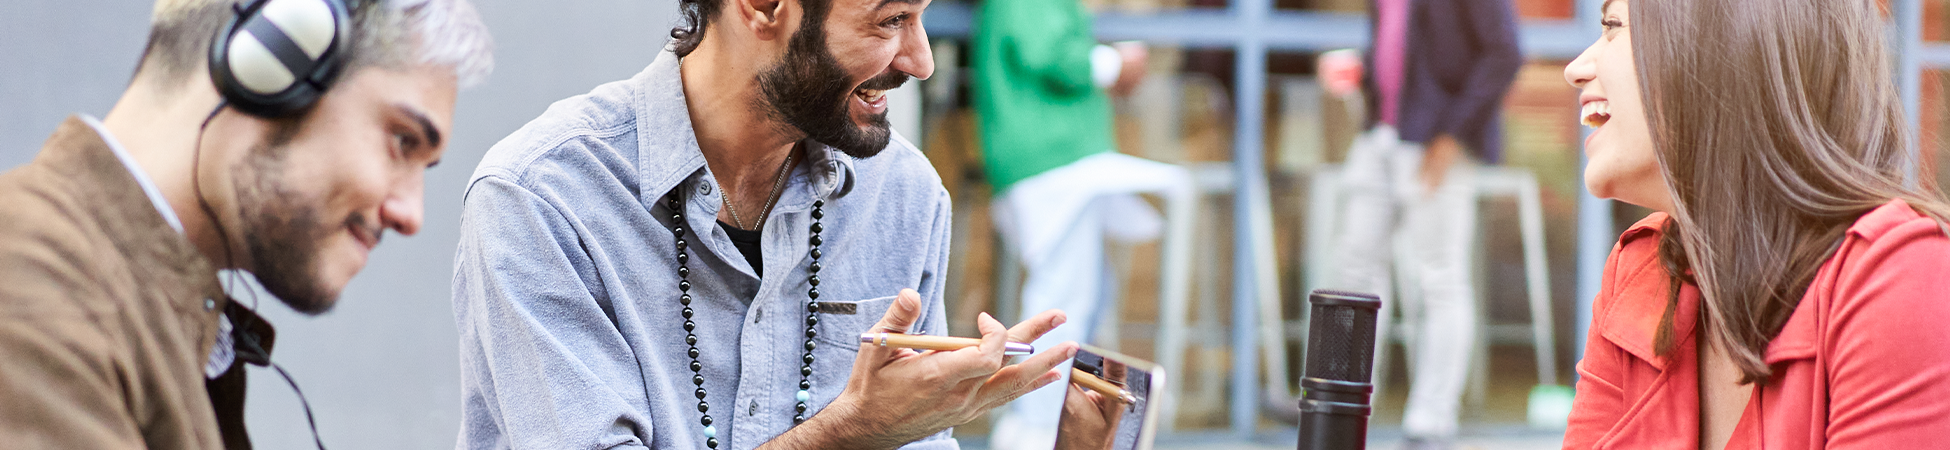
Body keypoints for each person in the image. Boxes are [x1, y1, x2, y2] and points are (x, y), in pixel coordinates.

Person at [448, 0, 1077, 446]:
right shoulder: (541, 197)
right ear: (765, 6)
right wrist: (850, 433)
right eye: (890, 21)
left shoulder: (904, 193)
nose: (921, 61)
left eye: (921, 17)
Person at [0, 0, 493, 448]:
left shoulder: (150, 308)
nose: (412, 216)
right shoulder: (28, 278)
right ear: (276, 61)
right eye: (403, 141)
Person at [1560, 0, 1950, 448]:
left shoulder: (1895, 276)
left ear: (1720, 48)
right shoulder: (1639, 269)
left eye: (1612, 27)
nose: (1575, 68)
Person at [969, 0, 1193, 447]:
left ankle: (1047, 416)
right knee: (1064, 296)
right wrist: (1112, 63)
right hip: (1051, 158)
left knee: (1082, 292)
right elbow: (1046, 49)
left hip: (1056, 158)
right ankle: (1036, 422)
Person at [1322, 0, 1519, 448]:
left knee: (1437, 277)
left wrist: (1452, 135)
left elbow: (1503, 53)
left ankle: (1432, 420)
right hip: (1380, 134)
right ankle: (1338, 407)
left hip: (1436, 140)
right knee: (1352, 274)